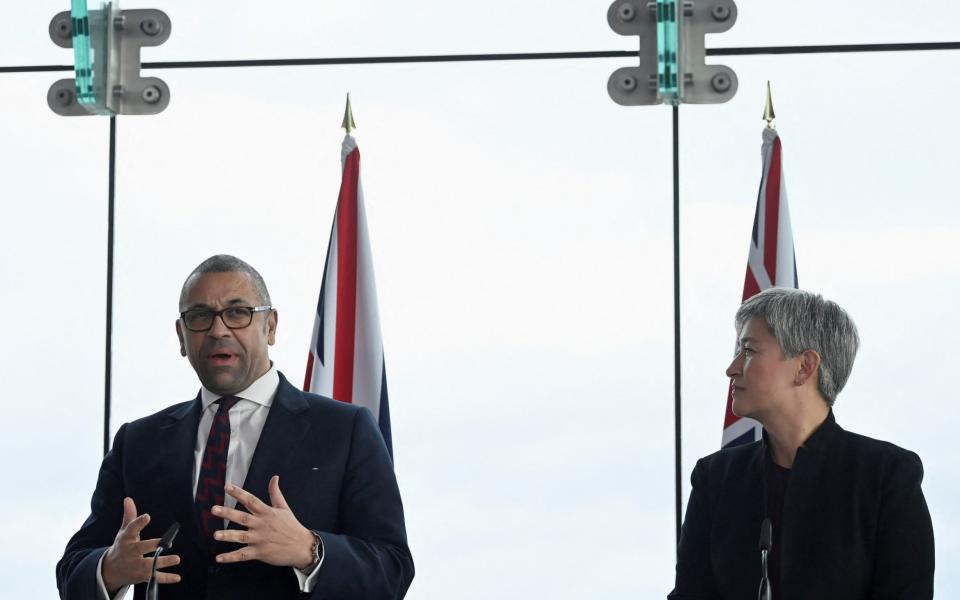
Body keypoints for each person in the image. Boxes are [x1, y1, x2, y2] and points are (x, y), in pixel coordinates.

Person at [57, 255, 414, 599]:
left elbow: (393, 570)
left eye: (237, 313)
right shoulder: (137, 442)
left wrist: (309, 550)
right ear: (181, 336)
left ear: (270, 326)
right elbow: (73, 569)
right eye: (200, 316)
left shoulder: (346, 429)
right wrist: (110, 569)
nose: (217, 329)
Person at [668, 288, 934, 600]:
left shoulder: (887, 476)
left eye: (749, 351)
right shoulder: (715, 478)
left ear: (804, 366)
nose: (733, 368)